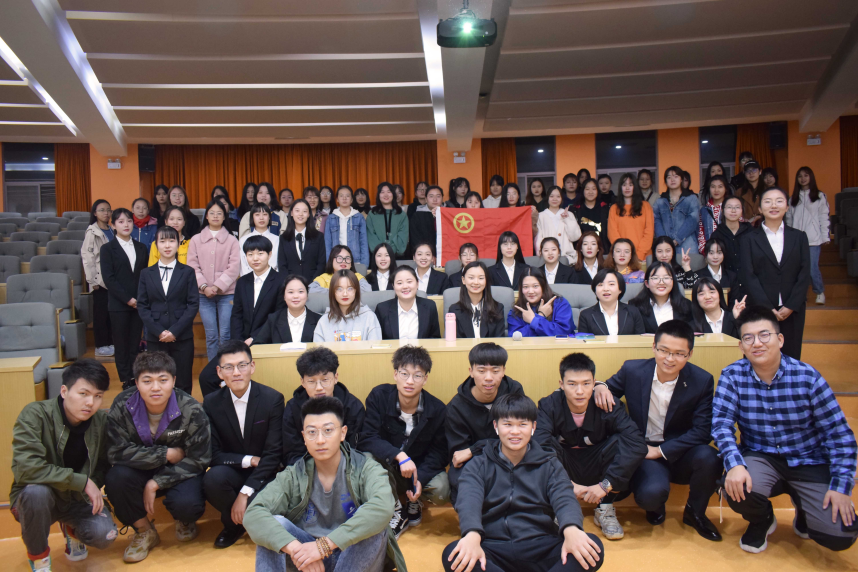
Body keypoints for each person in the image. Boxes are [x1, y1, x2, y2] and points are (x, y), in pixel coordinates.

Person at [712, 306, 858, 553]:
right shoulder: (732, 376)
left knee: (840, 535)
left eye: (764, 335)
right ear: (741, 346)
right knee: (734, 485)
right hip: (761, 456)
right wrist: (734, 464)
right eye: (748, 338)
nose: (757, 343)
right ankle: (763, 519)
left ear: (780, 339)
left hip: (809, 459)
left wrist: (841, 486)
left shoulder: (807, 377)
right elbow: (721, 425)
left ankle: (805, 509)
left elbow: (839, 434)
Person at [446, 393, 605, 572]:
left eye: (523, 424)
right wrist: (472, 534)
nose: (515, 432)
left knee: (592, 547)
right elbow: (469, 501)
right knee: (454, 554)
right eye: (507, 424)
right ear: (496, 426)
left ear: (533, 427)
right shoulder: (478, 464)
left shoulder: (549, 463)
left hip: (541, 545)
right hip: (493, 547)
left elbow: (564, 498)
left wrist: (572, 529)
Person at [246, 396, 405, 572]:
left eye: (328, 430)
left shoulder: (366, 468)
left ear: (343, 433)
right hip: (309, 559)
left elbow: (383, 506)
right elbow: (254, 513)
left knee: (372, 523)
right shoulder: (293, 475)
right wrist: (296, 548)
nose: (320, 440)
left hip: (354, 556)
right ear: (304, 437)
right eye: (312, 432)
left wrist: (324, 546)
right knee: (273, 526)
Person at [595, 321, 722, 540]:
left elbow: (703, 431)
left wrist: (661, 451)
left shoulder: (702, 380)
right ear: (654, 347)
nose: (670, 359)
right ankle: (655, 504)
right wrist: (600, 386)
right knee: (651, 495)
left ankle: (695, 512)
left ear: (690, 354)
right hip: (644, 451)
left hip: (681, 451)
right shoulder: (633, 370)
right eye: (664, 350)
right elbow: (607, 389)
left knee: (710, 457)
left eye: (679, 353)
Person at [104, 352, 211, 563]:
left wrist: (157, 482)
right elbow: (115, 451)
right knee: (116, 479)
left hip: (178, 471)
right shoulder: (123, 404)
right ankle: (144, 530)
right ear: (136, 383)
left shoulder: (190, 408)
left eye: (163, 380)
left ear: (174, 381)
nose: (155, 388)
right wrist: (165, 454)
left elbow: (199, 459)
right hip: (138, 469)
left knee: (188, 505)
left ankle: (184, 520)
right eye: (147, 381)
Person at [11, 360, 117, 572]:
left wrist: (91, 484)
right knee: (36, 494)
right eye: (83, 394)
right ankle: (40, 560)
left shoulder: (101, 422)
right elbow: (27, 467)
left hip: (77, 499)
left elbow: (103, 465)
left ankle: (71, 530)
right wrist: (82, 482)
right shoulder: (35, 414)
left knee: (106, 535)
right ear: (64, 391)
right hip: (40, 499)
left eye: (98, 396)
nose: (90, 403)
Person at [533, 353, 646, 541]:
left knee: (623, 441)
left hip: (598, 466)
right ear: (561, 384)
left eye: (586, 384)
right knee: (541, 446)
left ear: (594, 383)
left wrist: (606, 485)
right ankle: (560, 507)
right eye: (572, 384)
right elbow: (539, 446)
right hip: (565, 467)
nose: (579, 391)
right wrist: (565, 484)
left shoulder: (608, 403)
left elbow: (637, 443)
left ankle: (605, 507)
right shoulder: (548, 404)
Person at [360, 345, 450, 539]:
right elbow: (368, 437)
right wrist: (399, 456)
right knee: (365, 459)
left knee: (441, 490)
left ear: (425, 379)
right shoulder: (379, 396)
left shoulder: (437, 409)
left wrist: (420, 479)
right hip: (388, 466)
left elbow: (440, 453)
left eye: (417, 375)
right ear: (395, 374)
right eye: (404, 374)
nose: (410, 381)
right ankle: (395, 508)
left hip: (417, 469)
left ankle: (413, 499)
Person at [203, 341, 285, 549]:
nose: (236, 373)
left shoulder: (272, 399)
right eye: (229, 367)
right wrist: (249, 460)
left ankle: (242, 521)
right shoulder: (211, 403)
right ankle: (235, 525)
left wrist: (244, 492)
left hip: (266, 472)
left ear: (252, 366)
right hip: (234, 469)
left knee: (257, 500)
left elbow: (274, 453)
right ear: (219, 372)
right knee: (212, 479)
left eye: (242, 365)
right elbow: (213, 454)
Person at [446, 343, 524, 503]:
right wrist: (476, 452)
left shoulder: (514, 392)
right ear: (471, 371)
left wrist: (475, 449)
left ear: (503, 371)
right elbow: (460, 454)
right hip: (476, 462)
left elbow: (521, 435)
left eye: (495, 371)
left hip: (511, 455)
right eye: (481, 371)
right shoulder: (456, 406)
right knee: (462, 482)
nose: (488, 378)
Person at [739, 186, 810, 359]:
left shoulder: (799, 237)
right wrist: (767, 307)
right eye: (768, 201)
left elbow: (804, 273)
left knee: (791, 355)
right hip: (760, 308)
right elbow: (748, 275)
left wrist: (791, 305)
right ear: (760, 208)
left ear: (787, 207)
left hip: (792, 308)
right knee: (759, 355)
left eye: (779, 201)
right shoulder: (748, 239)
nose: (774, 205)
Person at [137, 226, 200, 393]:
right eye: (162, 241)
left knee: (183, 380)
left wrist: (174, 331)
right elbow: (142, 305)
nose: (167, 245)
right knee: (157, 380)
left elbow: (193, 304)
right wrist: (159, 331)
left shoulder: (188, 272)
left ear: (178, 244)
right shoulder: (146, 273)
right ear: (156, 245)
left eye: (171, 241)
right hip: (155, 337)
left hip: (182, 336)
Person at [281, 347, 366, 466]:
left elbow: (357, 450)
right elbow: (291, 454)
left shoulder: (353, 407)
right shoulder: (292, 409)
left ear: (336, 378)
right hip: (305, 469)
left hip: (345, 468)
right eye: (311, 381)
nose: (319, 388)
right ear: (302, 382)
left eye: (325, 380)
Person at [100, 208, 148, 389]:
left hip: (139, 303)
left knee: (135, 344)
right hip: (119, 304)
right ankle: (125, 379)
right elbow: (109, 279)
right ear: (113, 225)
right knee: (121, 344)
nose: (126, 225)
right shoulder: (107, 249)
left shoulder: (141, 247)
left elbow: (145, 276)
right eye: (120, 222)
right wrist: (128, 299)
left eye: (128, 221)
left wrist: (140, 299)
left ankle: (135, 377)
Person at [188, 199, 242, 360]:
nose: (216, 216)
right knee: (211, 336)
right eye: (212, 213)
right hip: (203, 295)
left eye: (219, 213)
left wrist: (217, 286)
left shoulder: (232, 240)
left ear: (224, 217)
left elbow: (234, 267)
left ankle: (226, 367)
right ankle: (214, 369)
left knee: (225, 335)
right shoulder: (196, 239)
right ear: (206, 216)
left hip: (227, 295)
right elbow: (192, 266)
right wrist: (204, 287)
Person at [787, 166, 830, 305]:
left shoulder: (819, 196)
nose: (803, 178)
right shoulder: (792, 199)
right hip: (796, 240)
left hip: (813, 240)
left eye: (806, 175)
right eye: (800, 176)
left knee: (812, 269)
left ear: (811, 177)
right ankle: (800, 296)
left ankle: (819, 292)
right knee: (797, 270)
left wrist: (825, 236)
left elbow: (824, 217)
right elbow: (789, 220)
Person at [230, 235, 284, 345]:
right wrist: (238, 341)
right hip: (243, 342)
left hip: (269, 339)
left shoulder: (281, 281)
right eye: (250, 254)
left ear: (269, 254)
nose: (255, 258)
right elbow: (237, 314)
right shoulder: (242, 282)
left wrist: (254, 337)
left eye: (260, 253)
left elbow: (278, 315)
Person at [82, 199, 114, 357]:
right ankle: (101, 345)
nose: (106, 213)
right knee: (101, 314)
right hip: (99, 279)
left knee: (111, 313)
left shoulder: (112, 230)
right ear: (95, 213)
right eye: (102, 210)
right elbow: (87, 257)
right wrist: (92, 280)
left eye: (108, 210)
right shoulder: (92, 232)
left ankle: (111, 342)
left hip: (112, 278)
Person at [313, 269, 382, 342]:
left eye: (350, 288)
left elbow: (375, 347)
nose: (345, 294)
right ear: (333, 292)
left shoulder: (370, 317)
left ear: (356, 291)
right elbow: (318, 349)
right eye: (339, 289)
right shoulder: (324, 321)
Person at [375, 266, 441, 340]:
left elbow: (435, 338)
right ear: (393, 286)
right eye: (399, 283)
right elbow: (378, 341)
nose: (405, 286)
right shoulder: (382, 309)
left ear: (417, 283)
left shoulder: (430, 306)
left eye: (409, 282)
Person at [253, 275, 322, 345]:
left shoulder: (319, 320)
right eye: (291, 292)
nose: (295, 296)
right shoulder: (273, 319)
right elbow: (257, 344)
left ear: (307, 295)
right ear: (284, 296)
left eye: (300, 291)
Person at [628, 262, 695, 334]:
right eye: (655, 278)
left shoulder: (687, 305)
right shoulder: (634, 306)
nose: (661, 282)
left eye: (666, 278)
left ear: (673, 282)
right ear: (647, 283)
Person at [508, 267, 574, 337]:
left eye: (535, 286)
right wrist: (540, 315)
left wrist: (533, 320)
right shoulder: (515, 311)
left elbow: (563, 332)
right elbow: (515, 337)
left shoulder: (560, 303)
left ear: (543, 286)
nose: (531, 291)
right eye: (526, 287)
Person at [577, 269, 645, 335]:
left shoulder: (633, 312)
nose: (606, 289)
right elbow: (583, 341)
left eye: (611, 284)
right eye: (600, 285)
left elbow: (640, 340)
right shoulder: (585, 315)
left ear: (620, 289)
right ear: (595, 290)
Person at [449, 261, 506, 338]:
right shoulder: (454, 310)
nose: (476, 282)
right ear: (463, 280)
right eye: (471, 278)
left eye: (481, 278)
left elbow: (499, 339)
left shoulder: (497, 308)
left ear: (486, 280)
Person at [654, 166, 701, 255]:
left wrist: (676, 240)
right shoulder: (659, 202)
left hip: (688, 247)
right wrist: (664, 242)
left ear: (681, 179)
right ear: (665, 181)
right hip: (666, 249)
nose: (672, 180)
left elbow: (692, 221)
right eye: (669, 177)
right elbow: (656, 222)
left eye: (676, 176)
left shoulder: (691, 199)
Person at [277, 198, 326, 284]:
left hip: (314, 285)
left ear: (309, 214)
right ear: (291, 213)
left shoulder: (318, 237)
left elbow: (321, 264)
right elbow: (282, 265)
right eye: (297, 211)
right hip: (291, 285)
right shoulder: (284, 238)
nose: (300, 214)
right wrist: (291, 283)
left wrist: (312, 284)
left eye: (304, 211)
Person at [607, 173, 654, 259]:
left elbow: (649, 233)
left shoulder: (646, 206)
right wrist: (624, 254)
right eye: (624, 185)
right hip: (622, 257)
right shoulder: (614, 208)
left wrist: (638, 255)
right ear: (620, 187)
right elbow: (613, 234)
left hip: (644, 257)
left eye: (630, 185)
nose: (627, 188)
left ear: (635, 187)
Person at [324, 185, 369, 266]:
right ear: (337, 199)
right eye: (341, 196)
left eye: (347, 196)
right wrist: (329, 263)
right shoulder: (331, 218)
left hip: (355, 261)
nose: (344, 198)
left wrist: (364, 264)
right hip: (336, 261)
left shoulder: (359, 217)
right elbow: (327, 243)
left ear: (351, 199)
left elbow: (364, 242)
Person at [710, 195, 752, 281]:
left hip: (748, 279)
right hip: (726, 280)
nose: (733, 210)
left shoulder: (750, 232)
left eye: (737, 207)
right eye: (729, 207)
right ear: (722, 210)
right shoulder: (717, 235)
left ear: (742, 210)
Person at [536, 186, 582, 263]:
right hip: (548, 258)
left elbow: (575, 237)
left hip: (567, 258)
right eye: (551, 196)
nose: (555, 199)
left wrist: (567, 219)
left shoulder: (569, 214)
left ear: (562, 198)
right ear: (547, 198)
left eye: (558, 196)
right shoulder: (541, 216)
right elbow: (538, 239)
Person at [367, 182, 409, 257]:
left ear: (393, 194)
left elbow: (403, 236)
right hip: (377, 256)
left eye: (389, 192)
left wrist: (390, 251)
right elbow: (371, 237)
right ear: (378, 195)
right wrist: (382, 252)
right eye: (382, 192)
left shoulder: (401, 215)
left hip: (397, 256)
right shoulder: (372, 214)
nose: (386, 195)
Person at [694, 237, 738, 306]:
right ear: (706, 254)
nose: (715, 257)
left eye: (719, 253)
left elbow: (734, 301)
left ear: (724, 254)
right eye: (711, 253)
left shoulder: (731, 276)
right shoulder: (697, 275)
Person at [239, 203, 280, 275]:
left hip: (273, 278)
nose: (261, 218)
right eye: (257, 215)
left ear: (269, 217)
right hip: (249, 279)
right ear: (252, 218)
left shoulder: (278, 240)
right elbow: (243, 266)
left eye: (265, 214)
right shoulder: (244, 240)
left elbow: (279, 264)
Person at [572, 178, 611, 251]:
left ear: (597, 191)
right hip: (581, 250)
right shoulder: (575, 209)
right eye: (587, 189)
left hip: (602, 250)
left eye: (593, 189)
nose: (590, 192)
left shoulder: (605, 208)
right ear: (583, 191)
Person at [697, 174, 731, 254]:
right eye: (713, 187)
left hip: (729, 252)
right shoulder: (704, 210)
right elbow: (701, 233)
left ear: (726, 189)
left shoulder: (732, 207)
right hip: (710, 253)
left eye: (720, 187)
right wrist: (706, 251)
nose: (716, 190)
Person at [409, 185, 443, 254]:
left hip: (444, 254)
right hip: (424, 254)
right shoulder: (417, 216)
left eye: (438, 196)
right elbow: (415, 239)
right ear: (426, 199)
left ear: (442, 198)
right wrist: (428, 254)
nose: (435, 199)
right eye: (431, 196)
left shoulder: (448, 215)